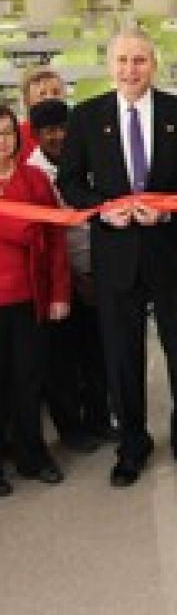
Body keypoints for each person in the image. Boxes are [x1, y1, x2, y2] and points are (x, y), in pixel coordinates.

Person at [58, 28, 177, 488]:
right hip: (115, 256)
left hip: (170, 251)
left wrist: (168, 207)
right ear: (109, 64)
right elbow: (70, 182)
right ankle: (132, 444)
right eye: (123, 61)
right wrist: (102, 211)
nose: (131, 70)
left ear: (154, 63)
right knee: (121, 356)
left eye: (140, 60)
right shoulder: (87, 118)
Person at [26, 99, 112, 453]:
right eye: (50, 131)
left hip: (97, 268)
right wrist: (75, 279)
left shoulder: (87, 154)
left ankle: (99, 419)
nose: (58, 136)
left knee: (99, 354)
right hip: (57, 280)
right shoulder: (33, 172)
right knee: (62, 360)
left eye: (64, 128)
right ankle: (71, 429)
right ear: (36, 135)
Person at [0, 105, 70, 495]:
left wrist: (60, 293)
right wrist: (19, 225)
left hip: (30, 297)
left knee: (28, 381)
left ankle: (32, 456)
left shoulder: (36, 180)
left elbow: (56, 239)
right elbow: (27, 230)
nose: (2, 142)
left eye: (8, 133)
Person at [18, 67, 65, 160]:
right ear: (26, 101)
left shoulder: (77, 130)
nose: (50, 98)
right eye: (42, 94)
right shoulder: (17, 136)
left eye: (56, 92)